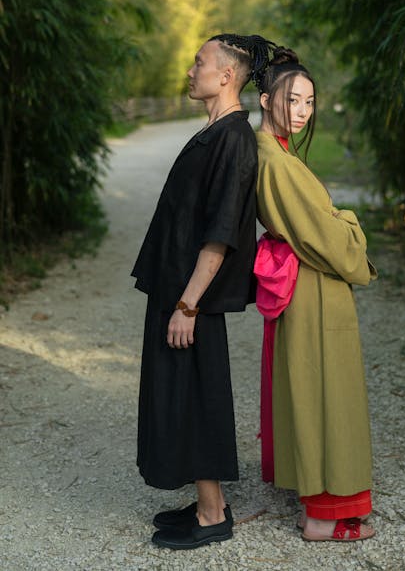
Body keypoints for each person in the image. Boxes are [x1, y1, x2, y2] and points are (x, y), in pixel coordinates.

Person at [131, 33, 274, 550]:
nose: (191, 71)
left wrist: (188, 305)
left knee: (197, 395)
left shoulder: (235, 138)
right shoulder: (215, 131)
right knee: (180, 394)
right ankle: (206, 500)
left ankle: (213, 515)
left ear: (226, 76)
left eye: (199, 62)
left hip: (193, 297)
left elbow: (221, 231)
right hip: (177, 290)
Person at [253, 47, 377, 542]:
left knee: (317, 391)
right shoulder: (275, 161)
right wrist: (350, 225)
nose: (302, 111)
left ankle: (325, 507)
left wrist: (333, 222)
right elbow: (323, 236)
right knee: (326, 394)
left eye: (309, 101)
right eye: (292, 100)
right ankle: (323, 517)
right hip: (313, 288)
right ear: (265, 100)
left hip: (310, 284)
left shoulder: (276, 152)